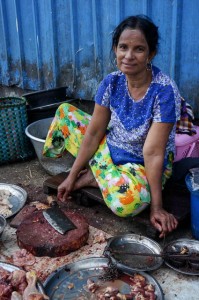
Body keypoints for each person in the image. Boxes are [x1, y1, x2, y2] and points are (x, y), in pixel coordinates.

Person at [43, 15, 181, 238]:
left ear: (151, 54)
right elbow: (95, 132)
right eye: (123, 47)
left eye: (138, 49)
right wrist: (71, 176)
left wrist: (157, 207)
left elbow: (153, 152)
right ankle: (100, 174)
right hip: (109, 147)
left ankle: (95, 176)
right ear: (115, 49)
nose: (128, 56)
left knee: (128, 203)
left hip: (141, 164)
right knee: (65, 114)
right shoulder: (111, 82)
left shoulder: (164, 90)